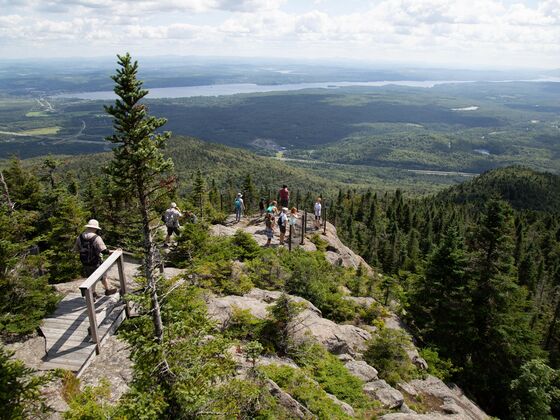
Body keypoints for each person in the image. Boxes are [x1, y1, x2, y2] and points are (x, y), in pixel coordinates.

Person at [74, 219, 118, 298]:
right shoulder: (96, 237)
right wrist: (113, 251)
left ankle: (100, 292)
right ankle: (101, 292)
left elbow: (76, 249)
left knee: (90, 278)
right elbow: (104, 250)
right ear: (95, 228)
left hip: (85, 263)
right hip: (96, 261)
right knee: (102, 276)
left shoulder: (79, 237)